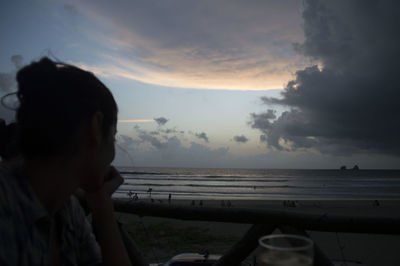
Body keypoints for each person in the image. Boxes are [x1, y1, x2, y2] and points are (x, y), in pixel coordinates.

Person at [0, 57, 132, 266]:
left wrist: (102, 205)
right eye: (113, 137)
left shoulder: (67, 212)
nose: (113, 153)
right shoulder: (6, 205)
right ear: (96, 127)